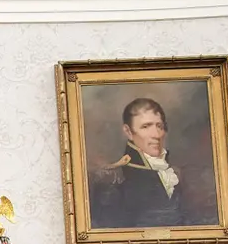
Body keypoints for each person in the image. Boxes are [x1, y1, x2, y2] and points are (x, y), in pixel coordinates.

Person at [88, 97, 217, 230]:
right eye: (146, 126)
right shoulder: (114, 183)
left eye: (159, 126)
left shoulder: (177, 174)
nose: (156, 134)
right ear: (128, 132)